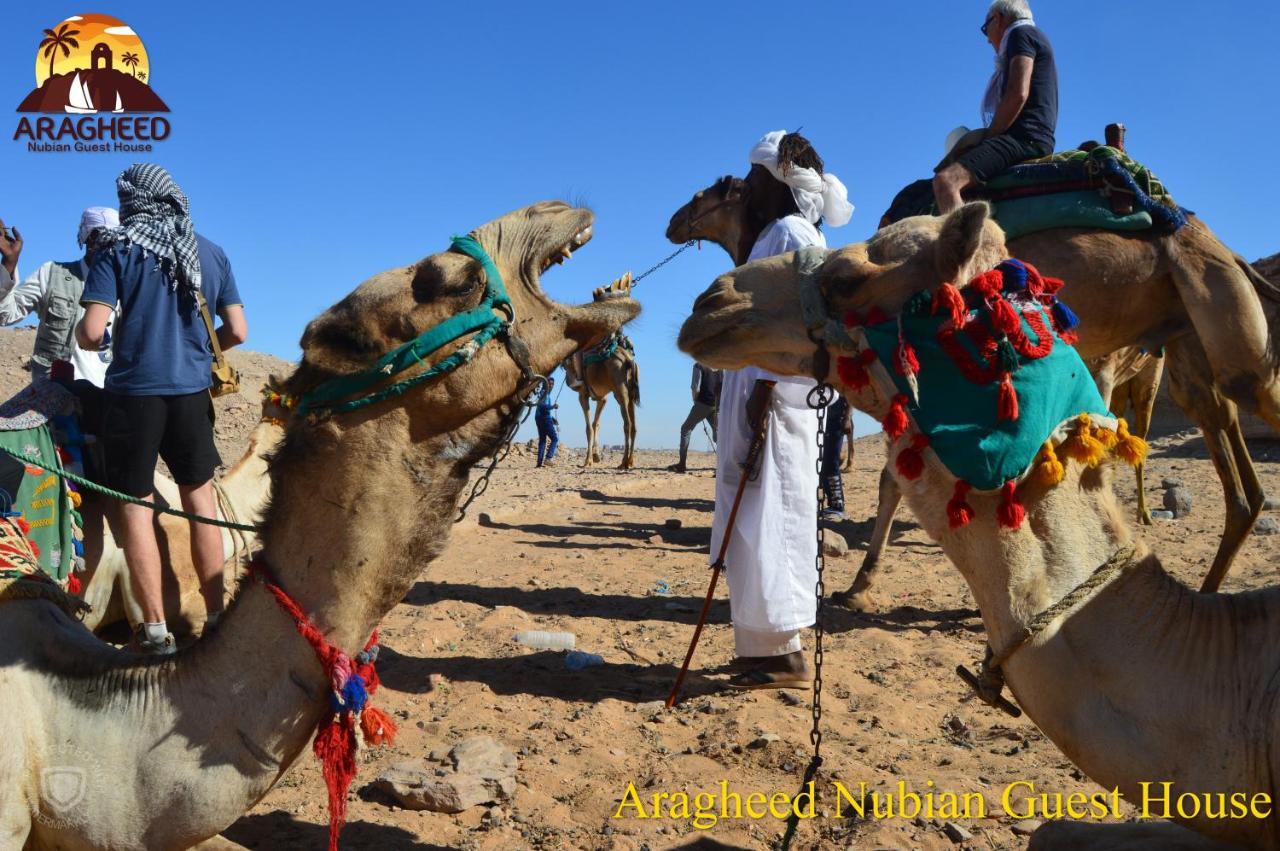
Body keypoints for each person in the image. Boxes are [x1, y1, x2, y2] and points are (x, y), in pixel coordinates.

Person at [76, 164, 247, 654]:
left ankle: (154, 632)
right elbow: (237, 330)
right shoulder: (210, 253)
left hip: (134, 397)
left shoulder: (117, 250)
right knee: (201, 505)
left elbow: (91, 332)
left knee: (135, 511)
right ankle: (216, 616)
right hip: (192, 395)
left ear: (133, 200)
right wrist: (194, 354)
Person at [711, 130, 853, 690]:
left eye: (753, 177)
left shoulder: (792, 233)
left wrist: (764, 397)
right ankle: (761, 650)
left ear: (778, 184)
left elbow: (795, 324)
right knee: (752, 523)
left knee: (771, 521)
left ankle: (786, 656)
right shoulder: (773, 233)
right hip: (758, 394)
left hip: (775, 400)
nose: (743, 186)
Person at [933, 0, 1058, 213]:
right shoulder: (1030, 36)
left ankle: (964, 246)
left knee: (946, 182)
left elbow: (1017, 94)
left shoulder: (1021, 35)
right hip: (1031, 136)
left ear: (998, 20)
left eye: (986, 29)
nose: (988, 39)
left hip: (1023, 137)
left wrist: (990, 137)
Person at [0, 208, 120, 386]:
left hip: (104, 400)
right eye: (98, 236)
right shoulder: (51, 274)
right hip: (52, 399)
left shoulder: (124, 288)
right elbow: (5, 315)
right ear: (87, 238)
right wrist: (9, 263)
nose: (105, 245)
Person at [668, 363, 720, 473]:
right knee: (718, 435)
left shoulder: (699, 365)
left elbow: (695, 387)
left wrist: (695, 401)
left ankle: (682, 464)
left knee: (686, 429)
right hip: (716, 405)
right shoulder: (721, 367)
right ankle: (720, 466)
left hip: (702, 404)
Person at [819, 396, 850, 521]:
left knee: (831, 462)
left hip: (837, 419)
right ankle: (832, 504)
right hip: (822, 419)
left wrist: (847, 417)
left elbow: (850, 395)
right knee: (824, 463)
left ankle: (838, 506)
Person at [535, 377, 559, 467]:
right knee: (554, 439)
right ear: (545, 384)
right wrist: (553, 406)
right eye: (549, 383)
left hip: (540, 418)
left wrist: (552, 419)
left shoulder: (545, 394)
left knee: (542, 440)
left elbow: (543, 408)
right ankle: (548, 458)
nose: (551, 385)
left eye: (552, 384)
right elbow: (542, 405)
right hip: (544, 418)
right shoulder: (544, 393)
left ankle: (539, 463)